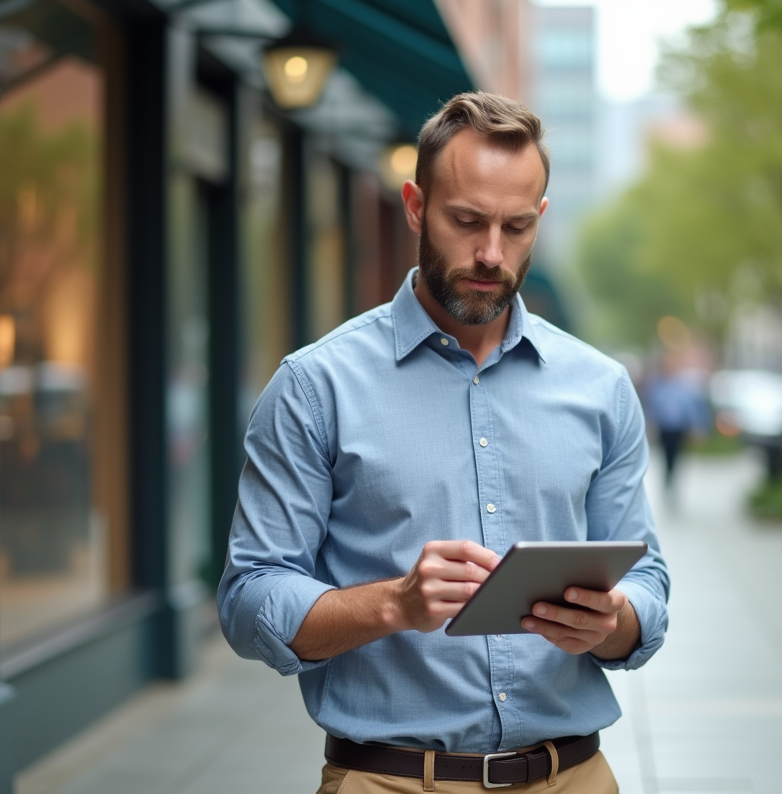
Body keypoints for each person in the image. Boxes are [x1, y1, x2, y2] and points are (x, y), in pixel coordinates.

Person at [218, 92, 669, 794]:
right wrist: (394, 604)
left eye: (516, 227)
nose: (491, 253)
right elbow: (249, 598)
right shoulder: (315, 386)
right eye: (466, 221)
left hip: (574, 777)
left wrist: (611, 623)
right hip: (391, 781)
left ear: (540, 218)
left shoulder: (601, 388)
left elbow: (647, 583)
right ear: (415, 206)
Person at [644, 354, 710, 490]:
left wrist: (697, 426)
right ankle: (668, 479)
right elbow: (650, 406)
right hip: (663, 427)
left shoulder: (684, 385)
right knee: (665, 455)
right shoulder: (656, 385)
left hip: (679, 427)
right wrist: (649, 425)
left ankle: (673, 479)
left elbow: (692, 407)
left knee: (678, 455)